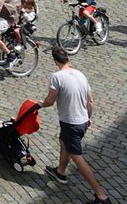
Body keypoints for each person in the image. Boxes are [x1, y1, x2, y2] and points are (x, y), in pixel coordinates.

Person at [39, 47, 110, 203]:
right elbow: (90, 101)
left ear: (55, 61)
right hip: (82, 121)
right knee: (64, 142)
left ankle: (101, 195)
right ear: (68, 59)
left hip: (71, 123)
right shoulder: (80, 74)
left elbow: (50, 101)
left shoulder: (56, 77)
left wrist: (39, 104)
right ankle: (60, 172)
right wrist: (88, 119)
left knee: (77, 158)